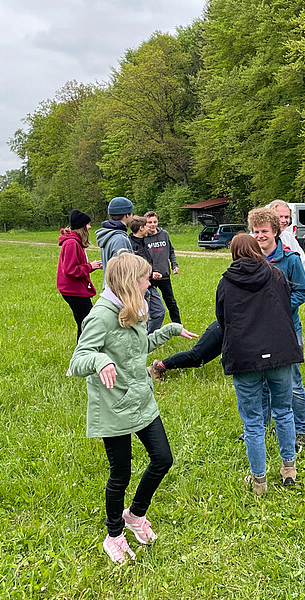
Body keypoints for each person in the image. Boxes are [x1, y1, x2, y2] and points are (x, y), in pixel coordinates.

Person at [68, 252, 198, 563]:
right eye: (145, 278)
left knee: (163, 459)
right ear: (129, 282)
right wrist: (100, 360)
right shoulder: (100, 316)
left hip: (141, 399)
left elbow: (138, 349)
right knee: (120, 474)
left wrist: (169, 331)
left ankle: (134, 514)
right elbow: (77, 361)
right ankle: (113, 535)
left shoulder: (135, 308)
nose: (150, 282)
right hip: (113, 407)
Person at [216, 234, 302, 494]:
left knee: (253, 422)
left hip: (245, 356)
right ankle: (289, 468)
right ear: (256, 250)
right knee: (284, 411)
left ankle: (259, 480)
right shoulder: (276, 275)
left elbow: (222, 319)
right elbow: (286, 306)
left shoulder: (226, 282)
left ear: (233, 253)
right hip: (279, 351)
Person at [249, 207, 305, 450]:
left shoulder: (290, 259)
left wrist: (279, 307)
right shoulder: (250, 259)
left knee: (292, 382)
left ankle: (300, 429)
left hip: (287, 329)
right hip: (259, 332)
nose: (260, 236)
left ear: (276, 231)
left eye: (264, 231)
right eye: (255, 231)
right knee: (262, 381)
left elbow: (302, 292)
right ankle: (261, 427)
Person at [269, 199, 305, 306]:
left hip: (288, 299)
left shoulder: (288, 237)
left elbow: (302, 261)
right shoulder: (261, 238)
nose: (283, 220)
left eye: (286, 217)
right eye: (280, 216)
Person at [57, 209, 102, 342]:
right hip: (74, 291)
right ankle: (83, 353)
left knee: (85, 323)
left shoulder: (74, 242)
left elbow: (75, 267)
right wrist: (89, 266)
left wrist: (92, 267)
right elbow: (70, 270)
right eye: (88, 224)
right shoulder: (72, 243)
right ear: (82, 227)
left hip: (74, 290)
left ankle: (82, 352)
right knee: (88, 324)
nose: (89, 227)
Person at [148, 320, 222, 381]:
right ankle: (157, 367)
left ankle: (163, 366)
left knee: (199, 362)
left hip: (229, 333)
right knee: (196, 354)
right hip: (222, 326)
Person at [129, 216, 166, 334]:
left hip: (149, 285)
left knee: (159, 312)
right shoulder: (131, 246)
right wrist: (151, 274)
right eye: (146, 225)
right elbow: (134, 269)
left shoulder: (143, 242)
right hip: (138, 287)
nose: (149, 227)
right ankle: (142, 340)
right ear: (141, 228)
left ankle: (148, 338)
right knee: (140, 317)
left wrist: (152, 273)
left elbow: (147, 263)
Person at [143, 211, 181, 325]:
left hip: (164, 274)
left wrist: (174, 265)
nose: (152, 224)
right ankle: (148, 325)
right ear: (145, 224)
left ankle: (177, 325)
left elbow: (171, 251)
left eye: (155, 222)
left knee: (171, 302)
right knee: (148, 303)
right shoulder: (143, 238)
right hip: (150, 277)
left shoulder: (164, 234)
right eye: (149, 222)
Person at [95, 196, 135, 277]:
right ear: (127, 215)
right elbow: (122, 272)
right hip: (118, 289)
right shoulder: (119, 239)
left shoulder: (108, 234)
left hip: (109, 287)